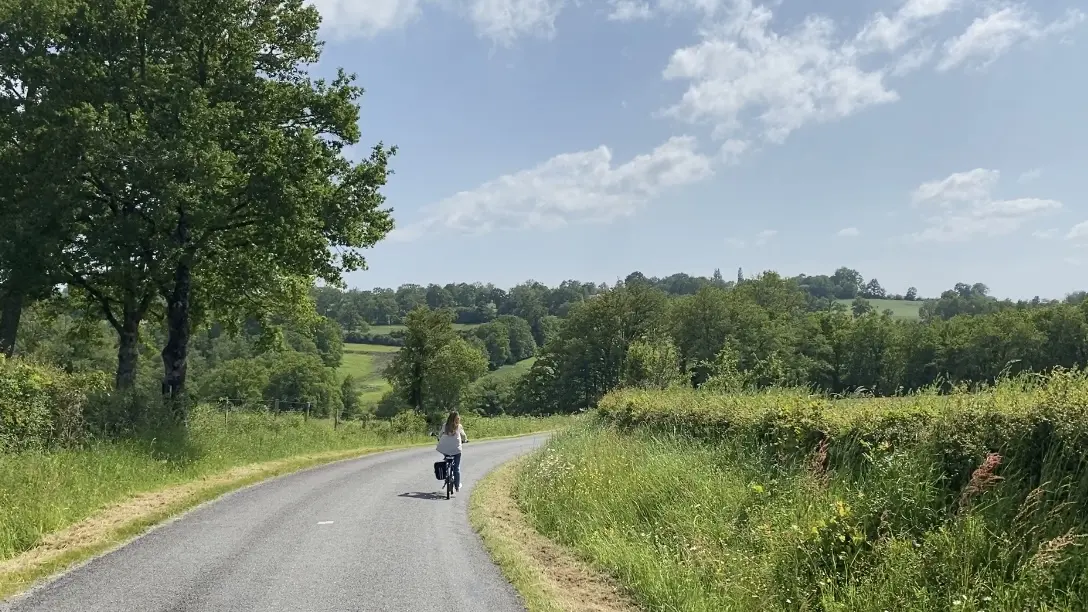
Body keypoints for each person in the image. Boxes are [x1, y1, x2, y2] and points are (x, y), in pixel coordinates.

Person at [435, 411, 468, 493]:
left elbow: (440, 435)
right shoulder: (459, 427)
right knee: (456, 468)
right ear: (457, 418)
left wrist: (439, 439)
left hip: (445, 449)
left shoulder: (445, 426)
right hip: (456, 450)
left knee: (447, 460)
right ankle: (457, 486)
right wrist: (465, 440)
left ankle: (447, 474)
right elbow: (463, 436)